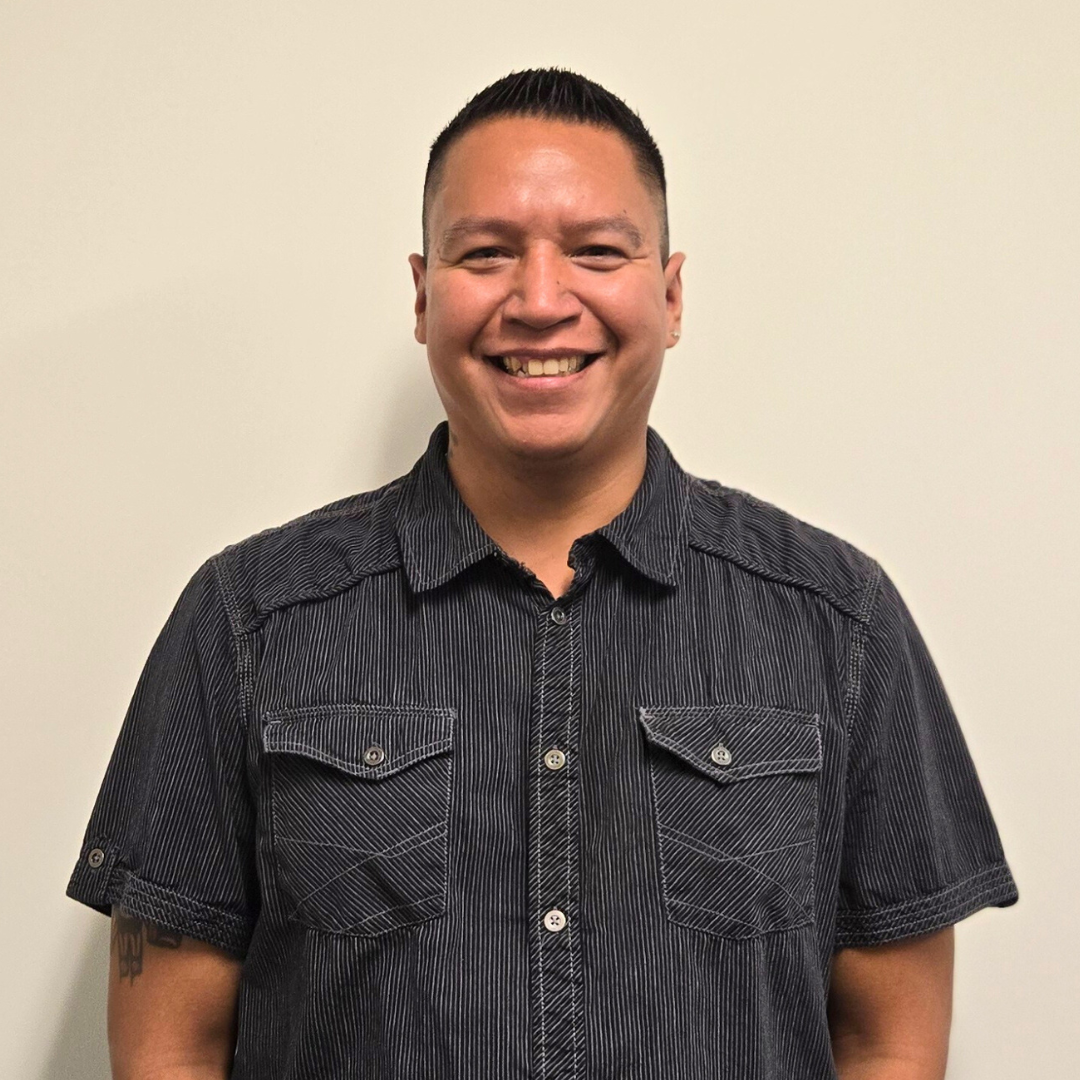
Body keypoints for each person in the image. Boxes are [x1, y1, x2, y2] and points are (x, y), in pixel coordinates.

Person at [68, 68, 1018, 1079]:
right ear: (424, 294)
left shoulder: (838, 620)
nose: (539, 301)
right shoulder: (250, 620)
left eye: (597, 252)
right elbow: (169, 1045)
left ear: (671, 295)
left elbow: (889, 1040)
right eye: (486, 253)